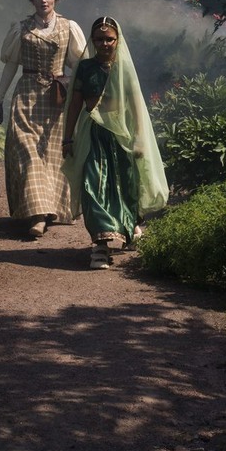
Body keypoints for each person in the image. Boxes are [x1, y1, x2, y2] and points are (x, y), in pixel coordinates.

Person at [63, 17, 169, 269]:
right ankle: (100, 246)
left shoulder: (124, 69)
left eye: (109, 39)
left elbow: (136, 108)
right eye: (99, 39)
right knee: (92, 185)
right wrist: (68, 137)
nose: (104, 43)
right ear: (93, 40)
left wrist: (141, 138)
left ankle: (129, 226)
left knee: (124, 184)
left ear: (117, 40)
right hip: (93, 135)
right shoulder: (86, 68)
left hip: (121, 135)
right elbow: (75, 105)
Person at [0, 0, 87, 239]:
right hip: (26, 97)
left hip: (57, 100)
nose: (43, 1)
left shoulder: (69, 28)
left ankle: (52, 209)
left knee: (52, 156)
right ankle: (37, 215)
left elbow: (78, 64)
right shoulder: (21, 29)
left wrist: (87, 94)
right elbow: (11, 65)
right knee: (29, 154)